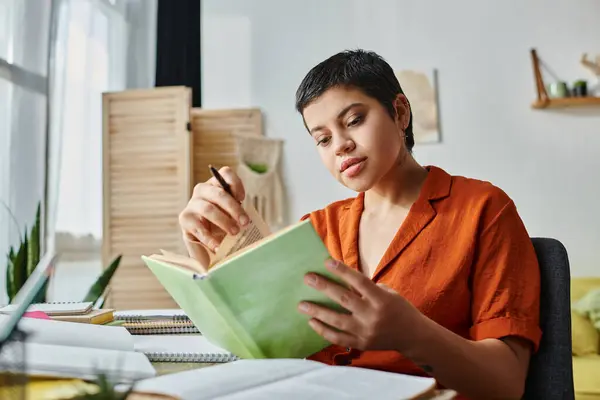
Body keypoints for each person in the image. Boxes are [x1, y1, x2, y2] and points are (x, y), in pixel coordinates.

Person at [178, 49, 541, 399]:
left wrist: (412, 333)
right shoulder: (316, 230)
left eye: (354, 120)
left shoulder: (482, 209)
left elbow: (506, 382)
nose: (340, 146)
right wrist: (206, 250)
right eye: (322, 139)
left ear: (400, 113)